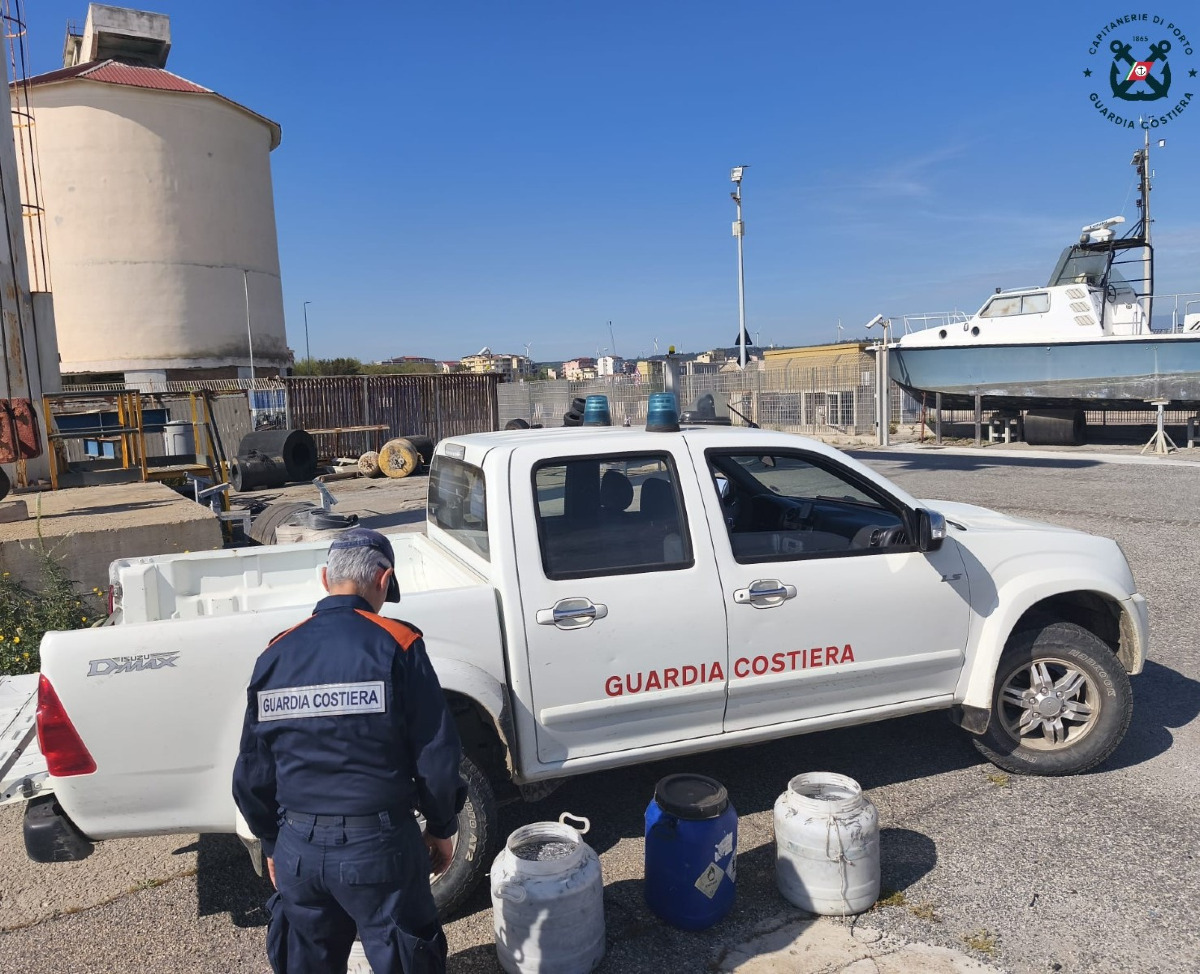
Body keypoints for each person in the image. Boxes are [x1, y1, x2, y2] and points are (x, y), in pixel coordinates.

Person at [233, 527, 466, 974]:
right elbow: (437, 752)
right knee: (405, 956)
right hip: (378, 849)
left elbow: (252, 770)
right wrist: (441, 825)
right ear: (383, 580)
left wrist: (272, 843)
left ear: (325, 579)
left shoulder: (276, 654)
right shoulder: (398, 644)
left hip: (297, 848)